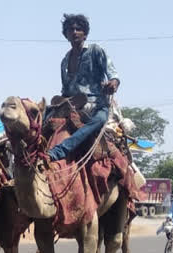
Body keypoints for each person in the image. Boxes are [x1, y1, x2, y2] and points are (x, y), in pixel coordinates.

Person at [47, 13, 120, 163]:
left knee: (98, 121)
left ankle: (59, 151)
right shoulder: (64, 61)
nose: (74, 32)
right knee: (42, 116)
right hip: (73, 106)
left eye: (78, 29)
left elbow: (113, 74)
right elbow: (65, 91)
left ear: (85, 34)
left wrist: (113, 83)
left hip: (97, 105)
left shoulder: (95, 51)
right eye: (70, 29)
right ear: (66, 35)